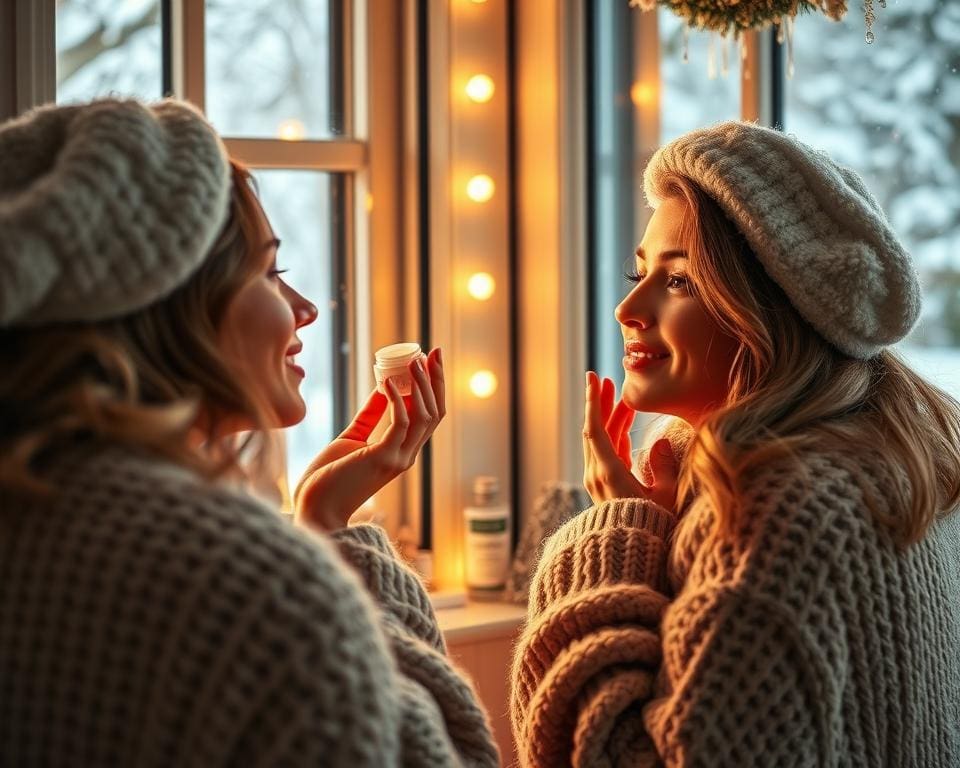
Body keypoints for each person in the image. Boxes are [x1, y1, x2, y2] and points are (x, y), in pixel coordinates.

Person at [0, 98, 498, 767]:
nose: (306, 310)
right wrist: (333, 541)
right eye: (269, 271)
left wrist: (322, 515)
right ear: (176, 305)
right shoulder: (251, 584)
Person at [510, 121, 960, 767]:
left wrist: (614, 528)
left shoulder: (777, 509)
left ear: (766, 312)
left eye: (679, 281)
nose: (628, 307)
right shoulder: (905, 458)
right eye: (640, 272)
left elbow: (601, 754)